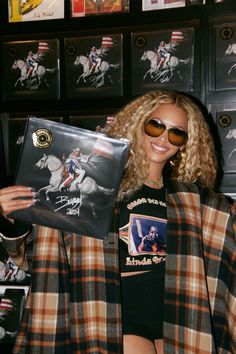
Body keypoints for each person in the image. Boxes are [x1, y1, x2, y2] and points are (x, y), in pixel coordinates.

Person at [0, 90, 235, 354]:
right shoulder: (100, 191)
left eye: (176, 132)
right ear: (139, 124)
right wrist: (13, 216)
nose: (163, 138)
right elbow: (43, 256)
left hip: (180, 318)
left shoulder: (194, 201)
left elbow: (222, 253)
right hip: (115, 319)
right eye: (155, 126)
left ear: (185, 143)